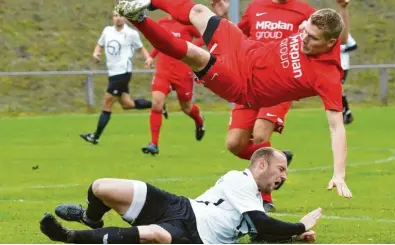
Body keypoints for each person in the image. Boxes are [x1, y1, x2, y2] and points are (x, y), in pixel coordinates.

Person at [116, 0, 352, 198]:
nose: (303, 39)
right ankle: (142, 3)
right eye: (304, 31)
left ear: (330, 42)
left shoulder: (328, 75)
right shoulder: (304, 27)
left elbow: (336, 127)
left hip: (242, 85)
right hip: (244, 48)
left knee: (192, 53)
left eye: (312, 38)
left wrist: (339, 174)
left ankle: (137, 19)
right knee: (199, 11)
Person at [211, 0, 349, 212]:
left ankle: (265, 196)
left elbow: (339, 39)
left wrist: (343, 10)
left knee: (259, 135)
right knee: (234, 144)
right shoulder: (256, 7)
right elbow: (235, 38)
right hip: (249, 78)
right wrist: (223, 17)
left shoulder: (305, 11)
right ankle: (279, 159)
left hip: (279, 88)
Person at [39, 147, 323, 244]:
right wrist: (300, 226)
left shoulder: (255, 202)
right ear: (261, 164)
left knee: (154, 235)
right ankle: (91, 219)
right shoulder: (241, 181)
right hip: (181, 206)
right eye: (281, 169)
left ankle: (68, 237)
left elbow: (259, 234)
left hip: (194, 235)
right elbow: (261, 226)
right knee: (101, 187)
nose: (284, 176)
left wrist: (293, 235)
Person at [80, 11, 154, 145]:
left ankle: (95, 136)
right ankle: (157, 105)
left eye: (120, 16)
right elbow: (99, 44)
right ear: (112, 18)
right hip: (113, 73)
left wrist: (148, 58)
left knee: (107, 103)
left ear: (125, 18)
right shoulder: (107, 31)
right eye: (115, 16)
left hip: (122, 73)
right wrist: (96, 53)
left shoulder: (131, 33)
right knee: (127, 104)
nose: (118, 19)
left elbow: (141, 48)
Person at [141, 15, 205, 156]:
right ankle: (154, 144)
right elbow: (159, 42)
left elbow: (203, 36)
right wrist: (151, 56)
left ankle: (199, 120)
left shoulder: (188, 23)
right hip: (163, 70)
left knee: (186, 108)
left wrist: (193, 47)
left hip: (182, 71)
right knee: (156, 103)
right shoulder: (162, 22)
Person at [340, 33, 357, 124]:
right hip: (333, 66)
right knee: (337, 90)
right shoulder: (328, 33)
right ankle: (346, 113)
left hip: (343, 66)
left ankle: (346, 113)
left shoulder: (344, 34)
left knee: (338, 89)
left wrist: (344, 49)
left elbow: (354, 46)